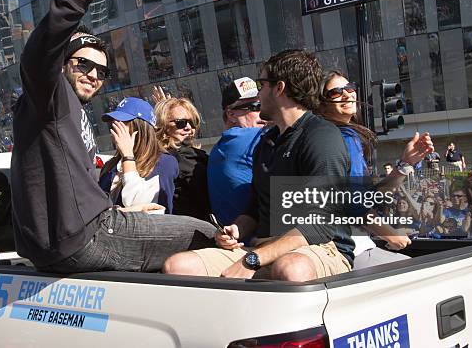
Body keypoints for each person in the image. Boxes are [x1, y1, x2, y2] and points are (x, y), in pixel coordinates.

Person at [10, 0, 216, 273]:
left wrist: (122, 211)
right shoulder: (50, 95)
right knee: (206, 232)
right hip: (87, 239)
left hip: (84, 233)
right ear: (61, 64)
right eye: (83, 64)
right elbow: (37, 56)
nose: (93, 74)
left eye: (102, 71)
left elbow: (75, 195)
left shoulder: (66, 113)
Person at [164, 50, 431, 281]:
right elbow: (255, 208)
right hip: (264, 248)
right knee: (178, 266)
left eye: (262, 84)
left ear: (279, 88)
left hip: (322, 248)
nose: (259, 93)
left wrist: (251, 260)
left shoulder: (322, 137)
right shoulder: (268, 141)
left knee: (290, 267)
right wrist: (237, 229)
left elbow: (318, 223)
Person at [318, 70, 435, 268]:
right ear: (321, 105)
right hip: (347, 250)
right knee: (420, 273)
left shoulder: (334, 135)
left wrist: (405, 164)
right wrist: (390, 233)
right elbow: (355, 203)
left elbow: (367, 197)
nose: (347, 94)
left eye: (349, 88)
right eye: (336, 92)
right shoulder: (344, 138)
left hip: (347, 246)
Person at [98, 97, 178, 213]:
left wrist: (128, 155)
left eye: (122, 123)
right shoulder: (110, 165)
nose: (115, 128)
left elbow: (141, 206)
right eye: (113, 124)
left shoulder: (164, 162)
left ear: (140, 128)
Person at [207, 77, 265, 225]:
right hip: (262, 238)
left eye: (264, 104)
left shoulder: (217, 149)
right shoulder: (253, 136)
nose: (264, 111)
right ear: (231, 114)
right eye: (256, 106)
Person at [154, 97, 211, 221]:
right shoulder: (174, 159)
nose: (189, 128)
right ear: (163, 125)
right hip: (194, 230)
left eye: (193, 122)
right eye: (181, 123)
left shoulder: (193, 154)